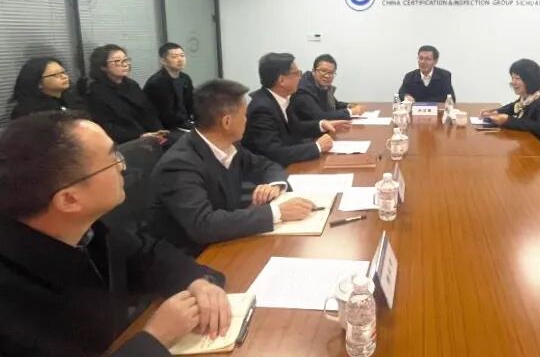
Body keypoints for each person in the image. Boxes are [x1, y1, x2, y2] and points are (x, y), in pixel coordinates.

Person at [0, 111, 231, 357]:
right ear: (69, 199)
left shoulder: (85, 229)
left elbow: (148, 255)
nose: (123, 166)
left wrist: (198, 282)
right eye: (113, 159)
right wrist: (155, 338)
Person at [150, 79, 316, 256]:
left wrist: (274, 185)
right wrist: (277, 212)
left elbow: (266, 165)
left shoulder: (229, 145)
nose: (247, 120)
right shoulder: (179, 165)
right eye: (244, 115)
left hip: (228, 239)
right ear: (227, 122)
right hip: (194, 255)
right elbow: (204, 225)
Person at [242, 53, 351, 167]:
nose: (300, 77)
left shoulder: (282, 99)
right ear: (282, 80)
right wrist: (317, 147)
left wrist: (322, 124)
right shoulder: (262, 109)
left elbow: (296, 127)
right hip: (268, 171)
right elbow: (274, 153)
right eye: (297, 74)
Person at [480, 59, 540, 160]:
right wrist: (495, 112)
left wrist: (508, 120)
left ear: (530, 80)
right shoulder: (528, 97)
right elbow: (513, 107)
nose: (513, 82)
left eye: (517, 78)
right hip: (533, 148)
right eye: (512, 78)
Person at [84, 44, 168, 145]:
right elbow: (106, 127)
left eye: (125, 60)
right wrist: (140, 136)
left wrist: (158, 131)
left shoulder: (132, 84)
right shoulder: (95, 92)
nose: (125, 64)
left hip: (148, 137)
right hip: (123, 142)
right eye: (117, 61)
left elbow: (149, 111)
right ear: (103, 66)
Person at [292, 54, 366, 121]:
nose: (327, 76)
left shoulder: (322, 85)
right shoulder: (303, 90)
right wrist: (350, 112)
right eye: (323, 71)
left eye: (331, 73)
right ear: (313, 71)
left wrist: (349, 106)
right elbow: (319, 117)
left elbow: (334, 105)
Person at [9, 57, 85, 119]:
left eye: (63, 72)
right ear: (38, 82)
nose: (64, 77)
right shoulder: (28, 112)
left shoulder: (71, 99)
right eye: (56, 75)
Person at [143, 43, 194, 132]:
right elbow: (164, 114)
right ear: (163, 61)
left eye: (182, 56)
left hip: (184, 123)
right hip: (166, 127)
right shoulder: (157, 83)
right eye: (174, 57)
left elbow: (191, 102)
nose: (180, 59)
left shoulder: (185, 78)